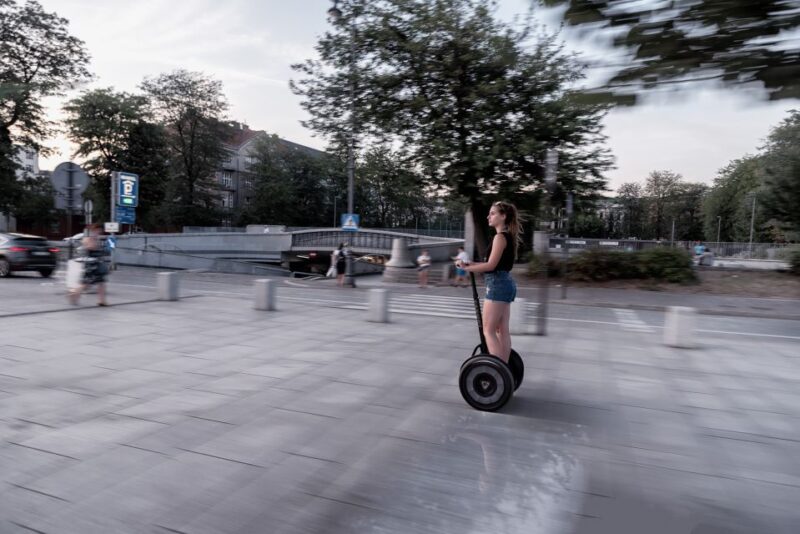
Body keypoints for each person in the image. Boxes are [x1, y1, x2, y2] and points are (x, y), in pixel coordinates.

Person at [456, 201, 520, 363]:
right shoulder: (507, 236)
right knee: (502, 330)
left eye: (492, 213)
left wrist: (468, 269)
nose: (488, 216)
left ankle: (498, 372)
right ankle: (504, 370)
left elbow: (491, 266)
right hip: (505, 283)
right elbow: (494, 264)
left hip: (497, 285)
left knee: (488, 330)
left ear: (503, 216)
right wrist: (470, 264)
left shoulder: (500, 237)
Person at [68, 224, 109, 306]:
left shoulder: (96, 238)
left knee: (101, 282)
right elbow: (90, 247)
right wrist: (95, 243)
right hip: (91, 264)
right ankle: (73, 295)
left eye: (100, 230)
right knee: (86, 283)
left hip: (98, 264)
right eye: (98, 230)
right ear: (94, 230)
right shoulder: (88, 238)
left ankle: (101, 301)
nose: (100, 231)